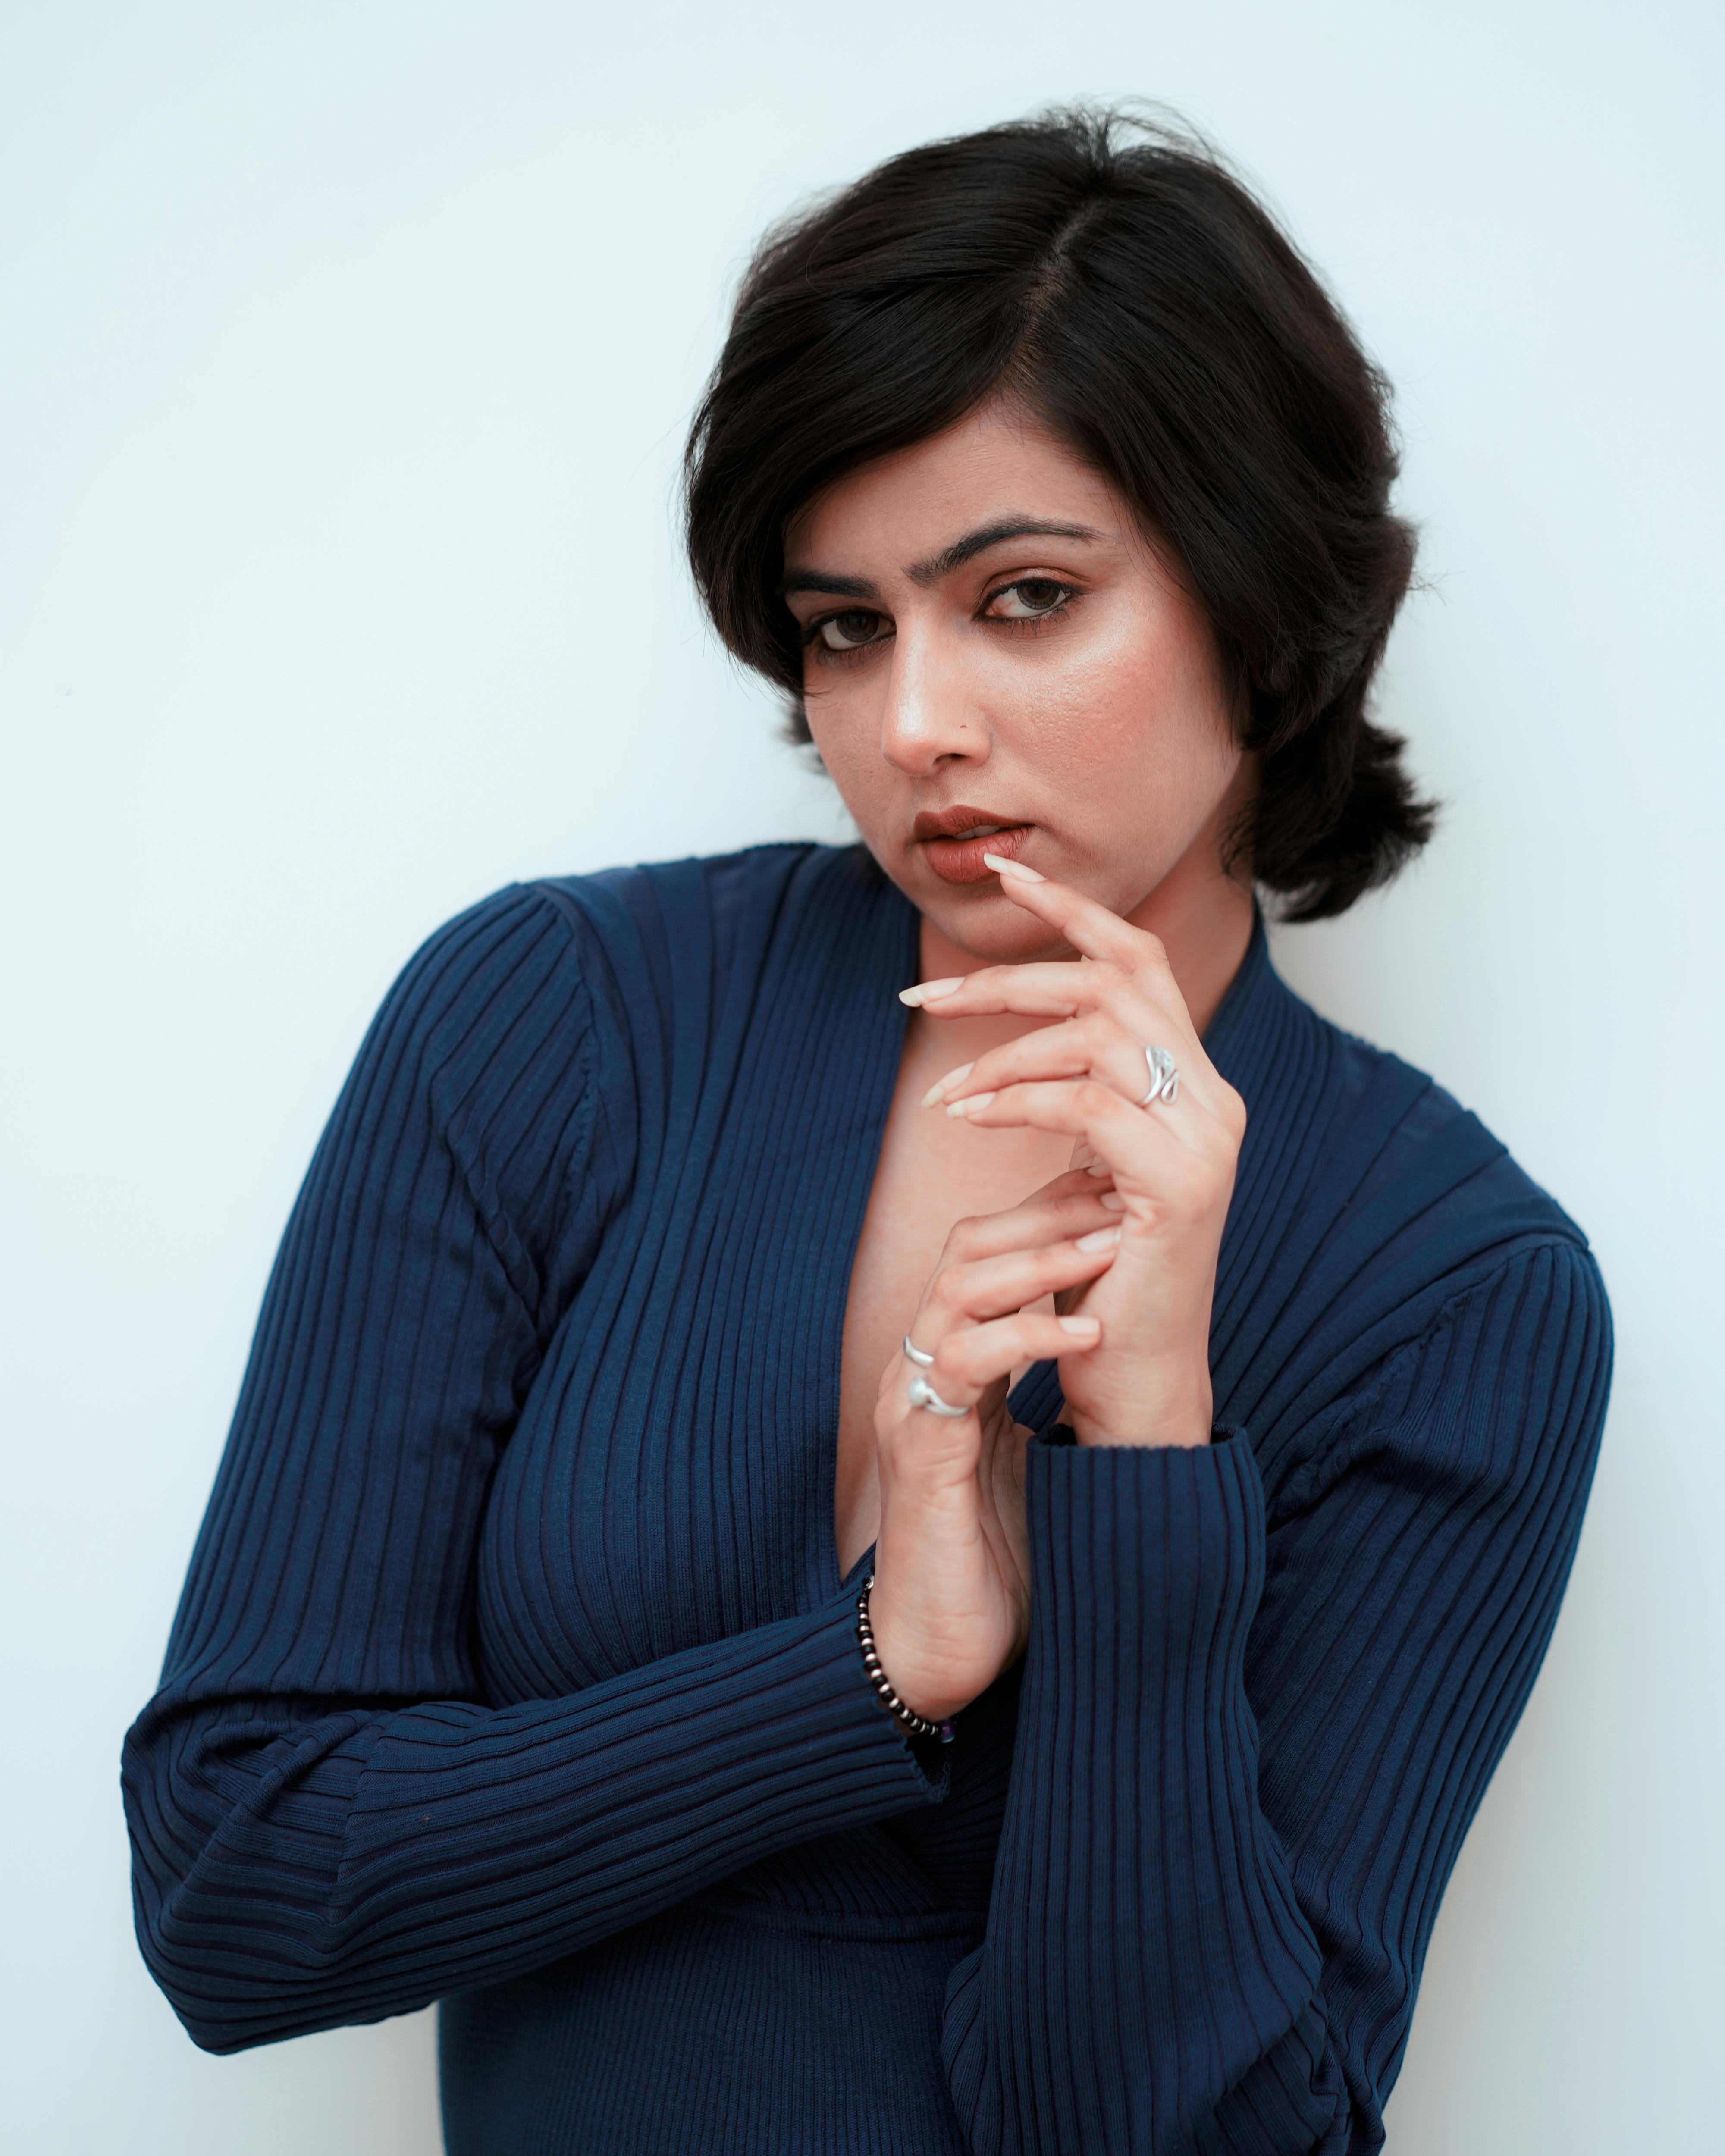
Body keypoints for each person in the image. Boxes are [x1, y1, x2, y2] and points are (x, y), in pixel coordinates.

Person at [122, 107, 1611, 2154]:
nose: (911, 725)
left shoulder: (1454, 1295)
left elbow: (1195, 2134)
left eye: (1023, 597)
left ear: (1262, 614)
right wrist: (867, 1674)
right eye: (847, 625)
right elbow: (237, 1884)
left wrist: (1147, 1460)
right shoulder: (554, 1023)